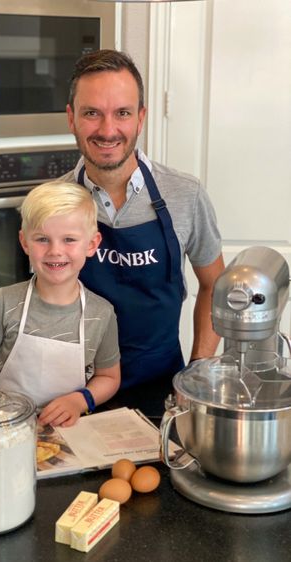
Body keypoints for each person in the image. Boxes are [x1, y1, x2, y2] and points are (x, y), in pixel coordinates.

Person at [62, 49, 225, 417]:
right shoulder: (52, 204)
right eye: (92, 113)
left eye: (122, 112)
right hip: (73, 397)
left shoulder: (186, 195)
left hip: (162, 391)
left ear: (141, 119)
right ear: (71, 118)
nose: (107, 130)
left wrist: (198, 370)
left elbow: (215, 285)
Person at [0, 181, 121, 427]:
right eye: (42, 239)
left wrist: (79, 400)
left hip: (67, 431)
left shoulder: (101, 314)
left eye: (69, 239)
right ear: (25, 242)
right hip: (4, 428)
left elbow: (109, 377)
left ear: (92, 244)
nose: (55, 251)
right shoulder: (5, 301)